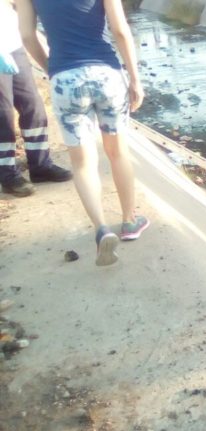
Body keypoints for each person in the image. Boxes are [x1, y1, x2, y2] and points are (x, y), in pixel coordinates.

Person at [16, 0, 149, 266]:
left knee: (83, 163)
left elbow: (27, 36)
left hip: (65, 78)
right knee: (118, 152)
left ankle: (101, 229)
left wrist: (50, 67)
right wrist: (135, 78)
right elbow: (120, 29)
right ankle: (129, 221)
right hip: (106, 74)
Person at [1, 0, 71, 197]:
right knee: (3, 114)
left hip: (13, 44)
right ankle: (7, 174)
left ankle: (40, 165)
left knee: (33, 106)